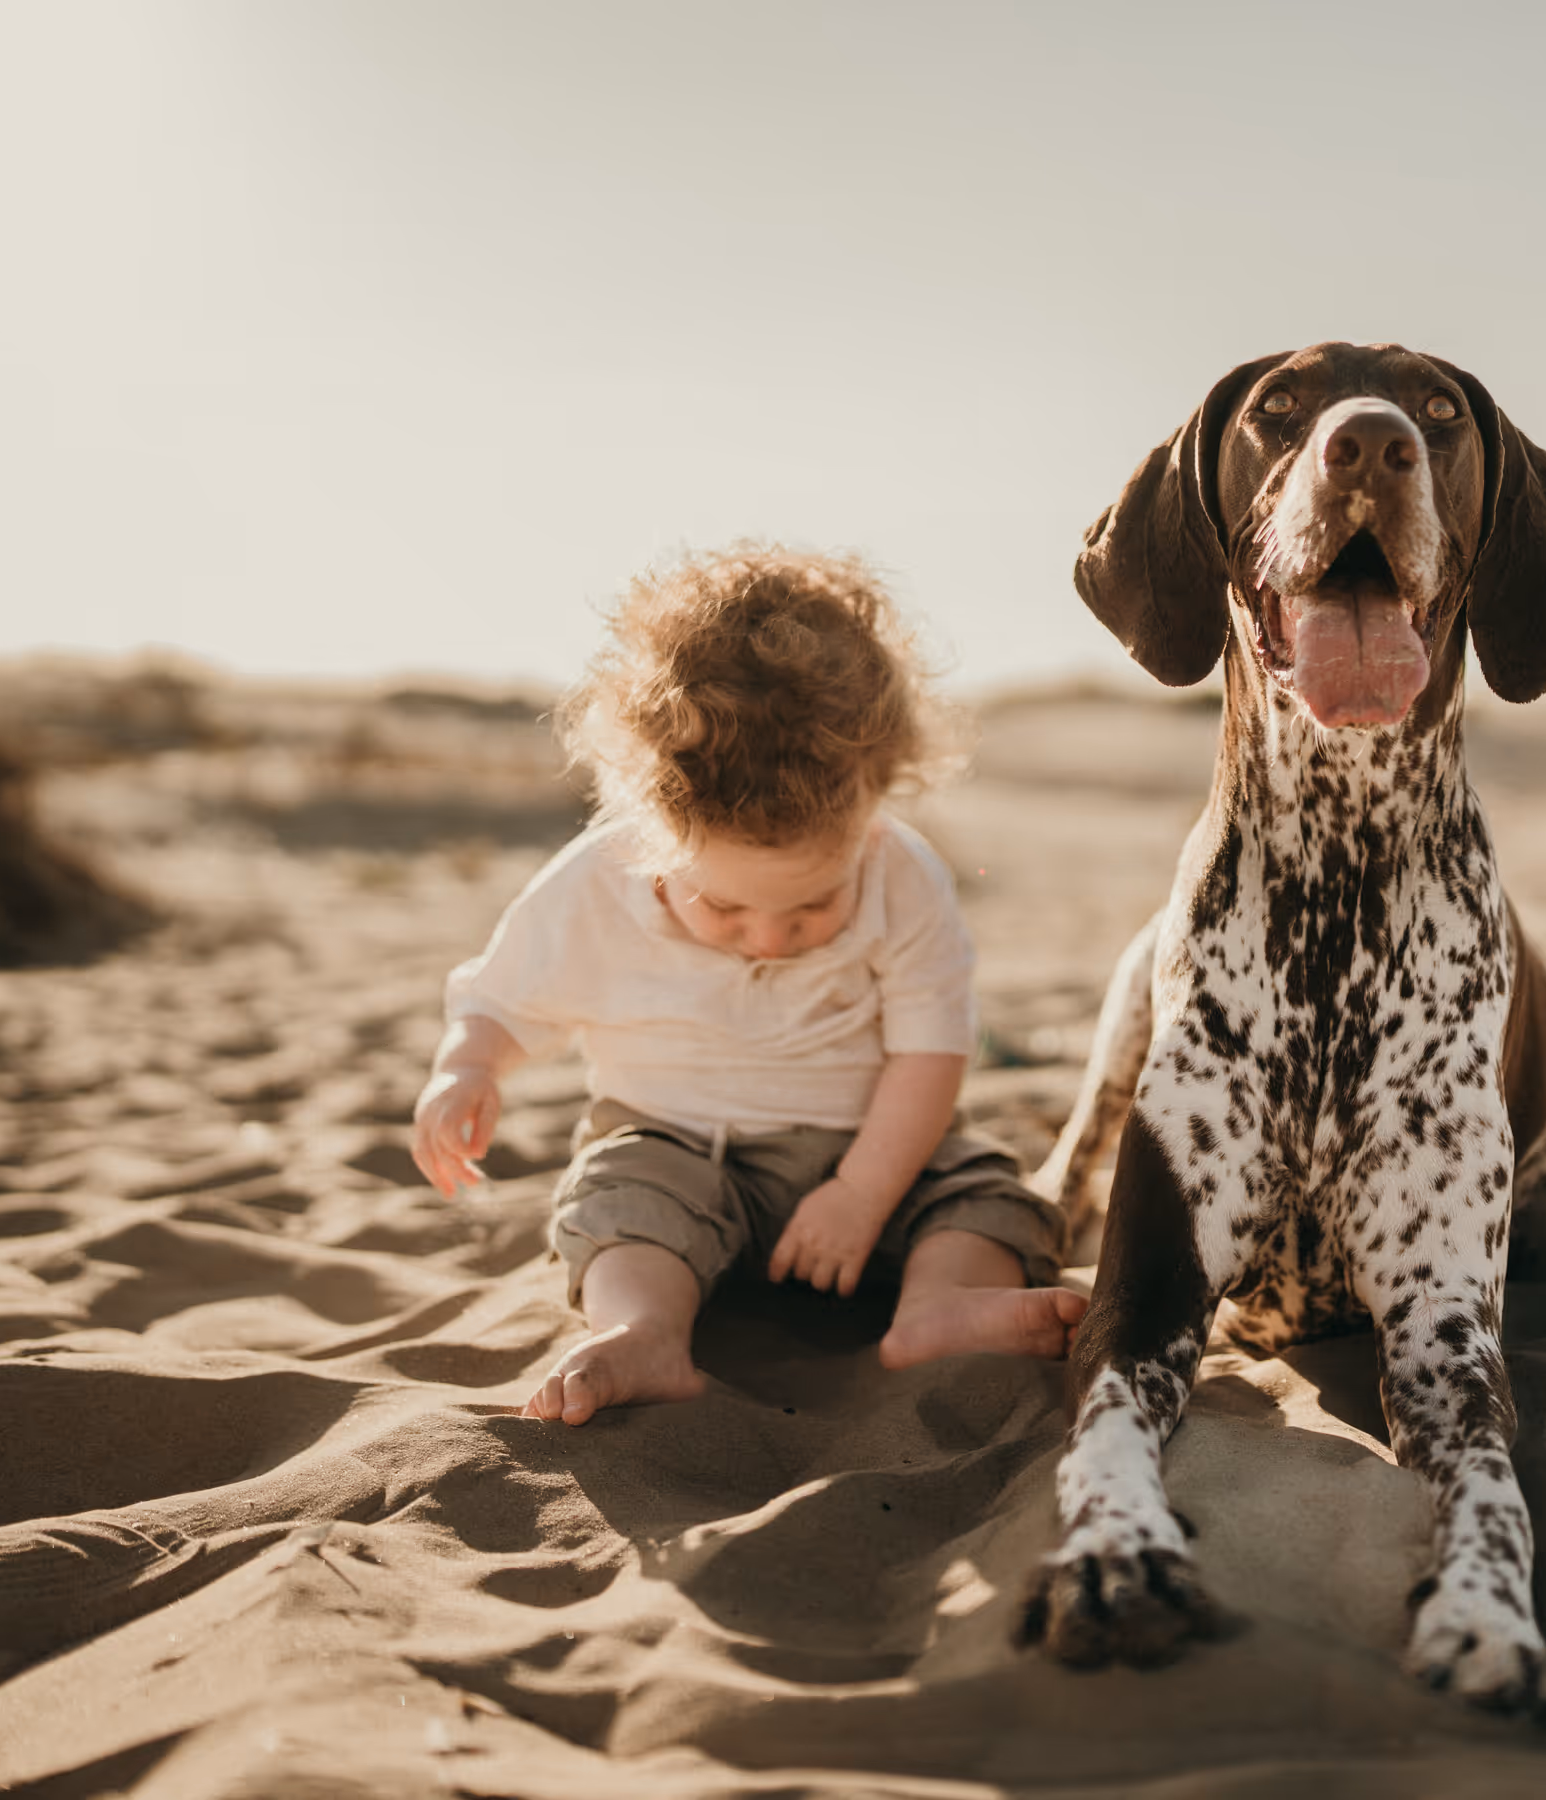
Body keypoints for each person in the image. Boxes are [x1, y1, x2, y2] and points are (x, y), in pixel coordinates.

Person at [411, 545, 1082, 1424]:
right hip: (680, 1151)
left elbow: (931, 1054)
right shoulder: (596, 880)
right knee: (619, 1200)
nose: (768, 938)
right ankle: (645, 1330)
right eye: (724, 905)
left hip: (873, 1155)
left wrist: (862, 1193)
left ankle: (938, 1308)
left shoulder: (903, 876)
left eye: (813, 906)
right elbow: (502, 998)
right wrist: (468, 1067)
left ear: (873, 807)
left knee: (988, 1195)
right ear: (650, 826)